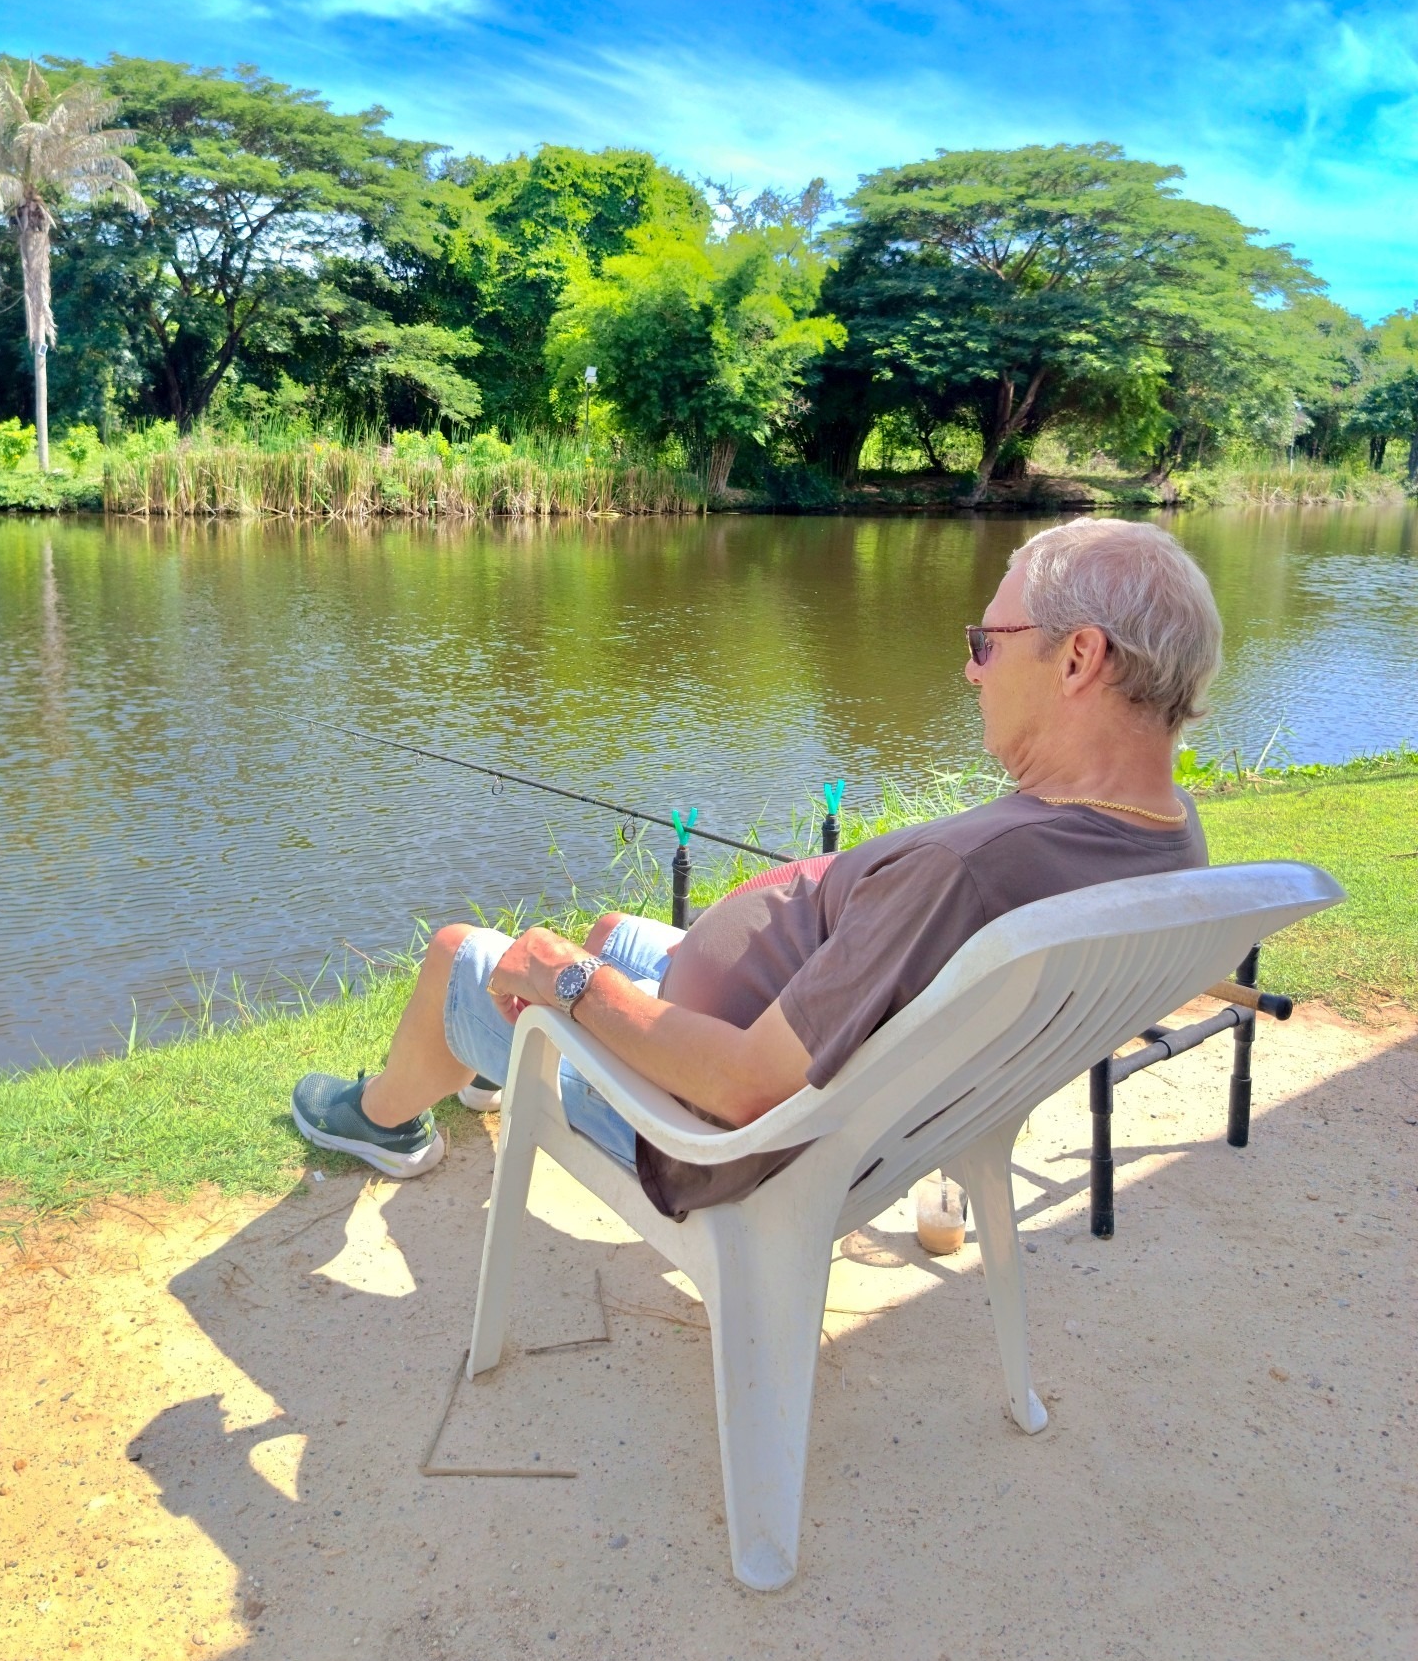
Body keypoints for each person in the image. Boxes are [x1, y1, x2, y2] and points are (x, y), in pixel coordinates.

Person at [292, 517, 1221, 1217]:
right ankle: (491, 1059)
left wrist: (566, 980)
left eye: (987, 644)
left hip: (708, 1135)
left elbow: (747, 1087)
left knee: (468, 955)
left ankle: (381, 1121)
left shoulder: (969, 873)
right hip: (848, 1093)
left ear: (1078, 659)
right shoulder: (1166, 839)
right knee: (610, 931)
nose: (973, 671)